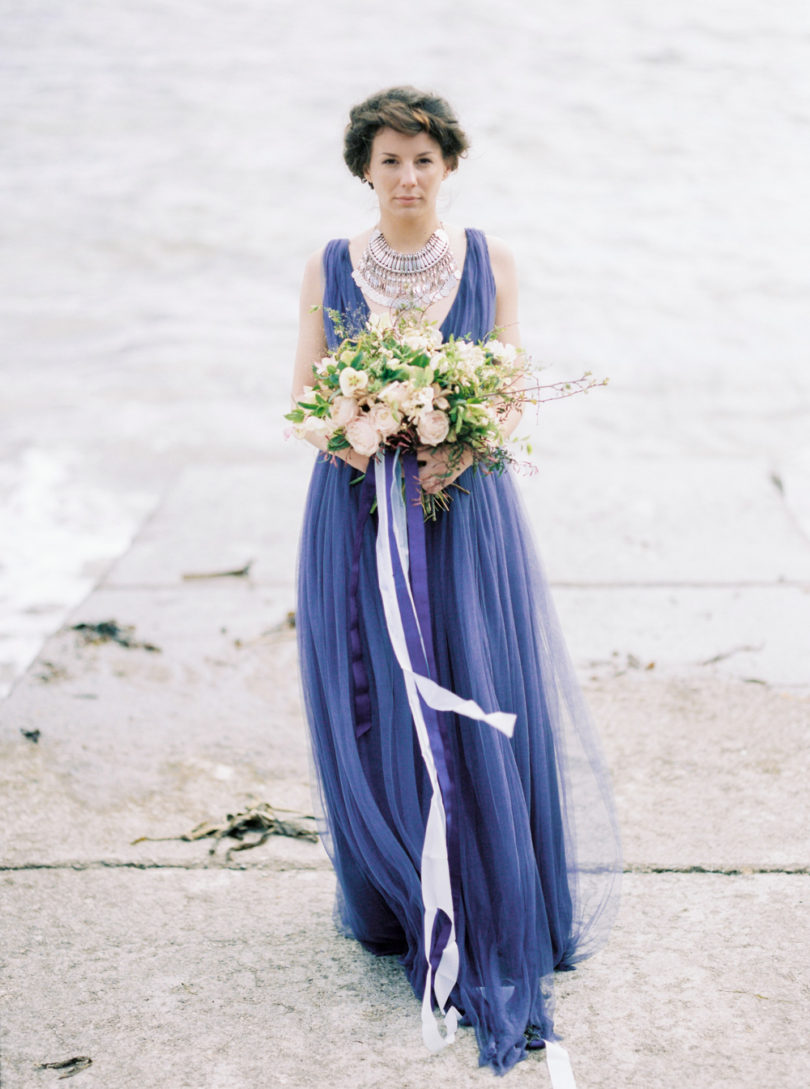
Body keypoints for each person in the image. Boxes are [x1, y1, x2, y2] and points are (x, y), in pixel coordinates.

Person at [292, 86, 621, 1076]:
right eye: (389, 161)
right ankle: (399, 896)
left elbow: (510, 395)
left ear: (449, 167)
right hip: (358, 518)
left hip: (464, 515)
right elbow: (306, 401)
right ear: (364, 168)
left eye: (422, 161)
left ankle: (496, 893)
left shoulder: (491, 261)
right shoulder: (325, 265)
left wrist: (459, 442)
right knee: (373, 698)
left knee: (479, 694)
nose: (406, 178)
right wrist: (372, 435)